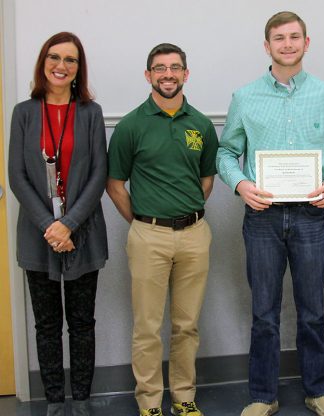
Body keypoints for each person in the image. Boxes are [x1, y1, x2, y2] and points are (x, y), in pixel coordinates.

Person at [217, 11, 324, 416]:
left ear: (306, 43)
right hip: (261, 218)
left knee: (313, 310)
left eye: (294, 37)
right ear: (267, 46)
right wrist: (242, 185)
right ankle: (263, 395)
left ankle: (319, 390)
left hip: (311, 217)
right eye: (279, 38)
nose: (287, 44)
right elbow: (226, 152)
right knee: (264, 313)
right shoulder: (245, 96)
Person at [106, 43, 218, 416]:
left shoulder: (200, 124)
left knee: (187, 326)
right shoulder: (131, 125)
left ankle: (184, 397)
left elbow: (205, 178)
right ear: (148, 75)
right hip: (147, 236)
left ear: (186, 73)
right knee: (148, 327)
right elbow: (115, 184)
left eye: (174, 67)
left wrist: (183, 215)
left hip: (194, 235)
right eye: (159, 68)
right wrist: (145, 221)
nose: (167, 74)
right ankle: (150, 402)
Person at [8, 32, 108, 416]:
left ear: (79, 68)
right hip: (39, 235)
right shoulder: (24, 112)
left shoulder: (91, 113)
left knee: (82, 322)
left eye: (70, 60)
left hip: (81, 232)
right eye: (54, 57)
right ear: (43, 62)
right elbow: (17, 176)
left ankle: (81, 399)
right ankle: (53, 401)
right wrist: (51, 226)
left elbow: (99, 172)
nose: (61, 66)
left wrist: (69, 224)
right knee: (47, 325)